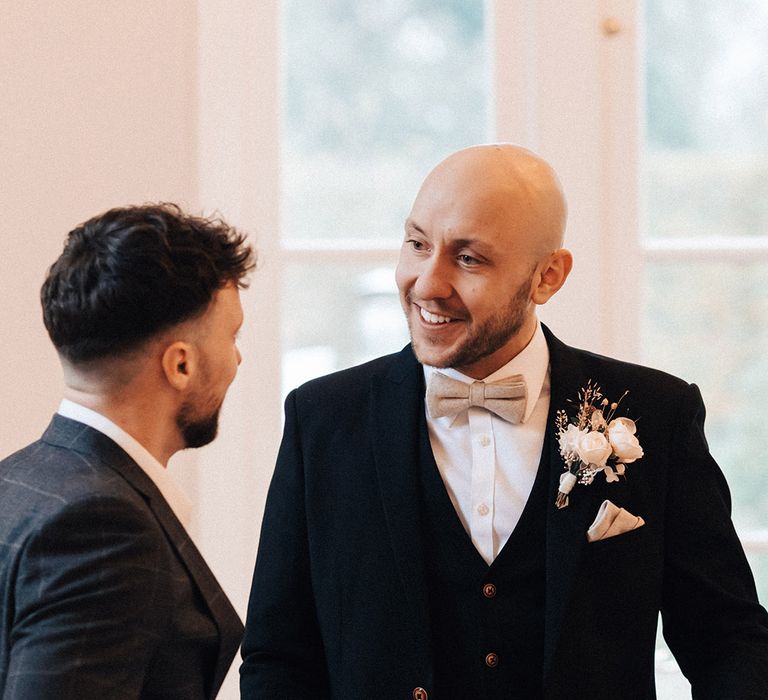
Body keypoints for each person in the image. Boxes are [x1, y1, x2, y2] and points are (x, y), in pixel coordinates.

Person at [240, 144, 768, 699]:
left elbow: (728, 643)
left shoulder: (654, 416)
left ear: (547, 277)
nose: (427, 284)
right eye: (418, 244)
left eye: (468, 259)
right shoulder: (321, 421)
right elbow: (279, 658)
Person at [0, 203, 254, 699]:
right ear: (180, 364)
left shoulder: (16, 480)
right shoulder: (103, 526)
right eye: (232, 336)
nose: (238, 358)